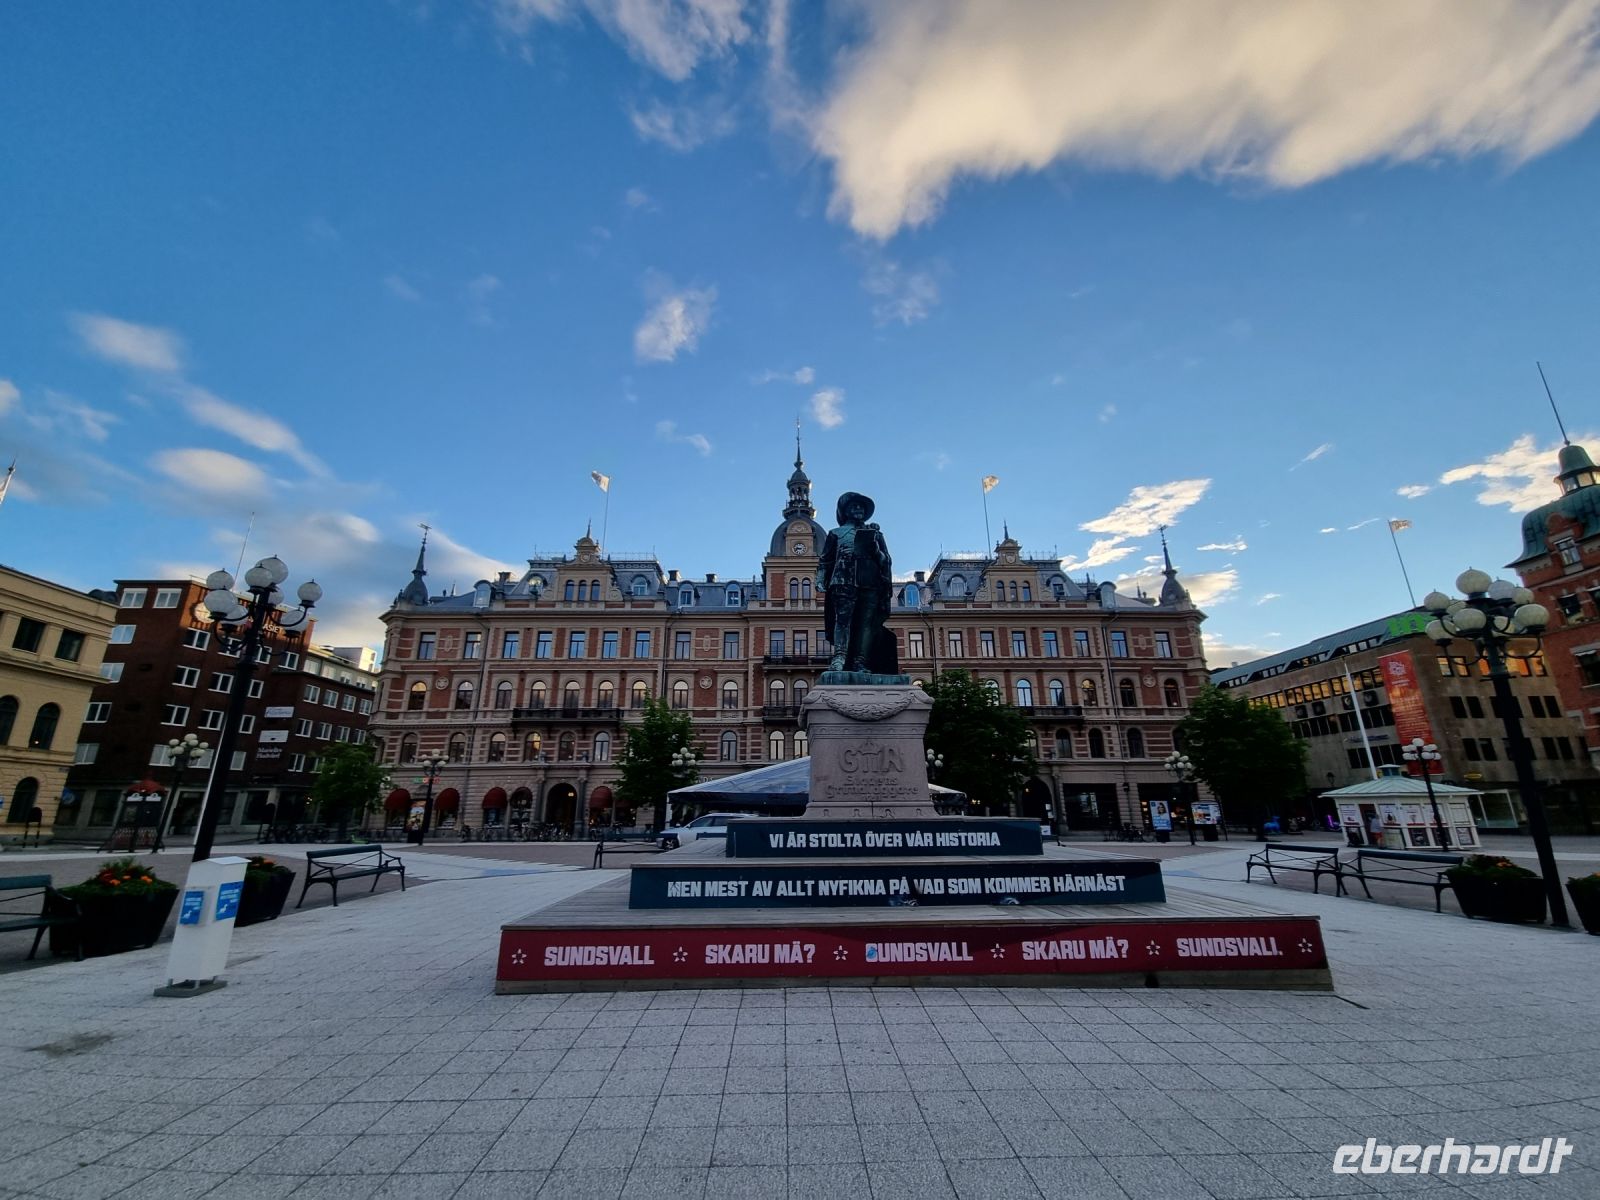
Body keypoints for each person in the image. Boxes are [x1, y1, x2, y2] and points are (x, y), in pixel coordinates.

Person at [818, 491, 898, 675]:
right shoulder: (835, 533)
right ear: (845, 511)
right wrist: (820, 580)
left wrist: (876, 550)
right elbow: (825, 560)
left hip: (870, 582)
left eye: (861, 506)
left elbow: (886, 561)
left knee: (866, 623)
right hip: (843, 580)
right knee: (843, 620)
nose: (859, 509)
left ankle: (860, 661)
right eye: (854, 506)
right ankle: (839, 657)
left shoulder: (875, 534)